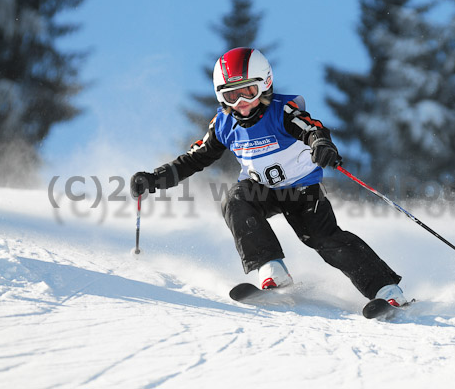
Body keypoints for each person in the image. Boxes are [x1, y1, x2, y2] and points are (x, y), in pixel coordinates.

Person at [130, 47, 407, 306]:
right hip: (260, 190)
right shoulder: (224, 124)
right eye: (231, 96)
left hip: (302, 191)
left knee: (323, 240)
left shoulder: (281, 112)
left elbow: (313, 129)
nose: (241, 103)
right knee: (236, 200)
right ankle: (271, 268)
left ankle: (386, 290)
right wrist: (154, 179)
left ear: (265, 85)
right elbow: (195, 158)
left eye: (248, 91)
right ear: (221, 97)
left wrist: (321, 144)